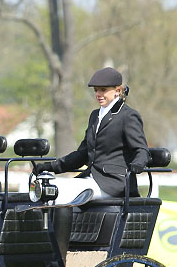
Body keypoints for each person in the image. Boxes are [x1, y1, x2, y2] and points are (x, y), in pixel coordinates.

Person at [34, 67, 149, 202]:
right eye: (96, 90)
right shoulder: (95, 116)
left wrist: (138, 164)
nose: (98, 94)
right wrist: (51, 166)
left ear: (117, 90)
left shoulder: (128, 116)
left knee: (59, 191)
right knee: (48, 188)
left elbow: (141, 149)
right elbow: (82, 154)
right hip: (91, 178)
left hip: (115, 183)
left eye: (103, 90)